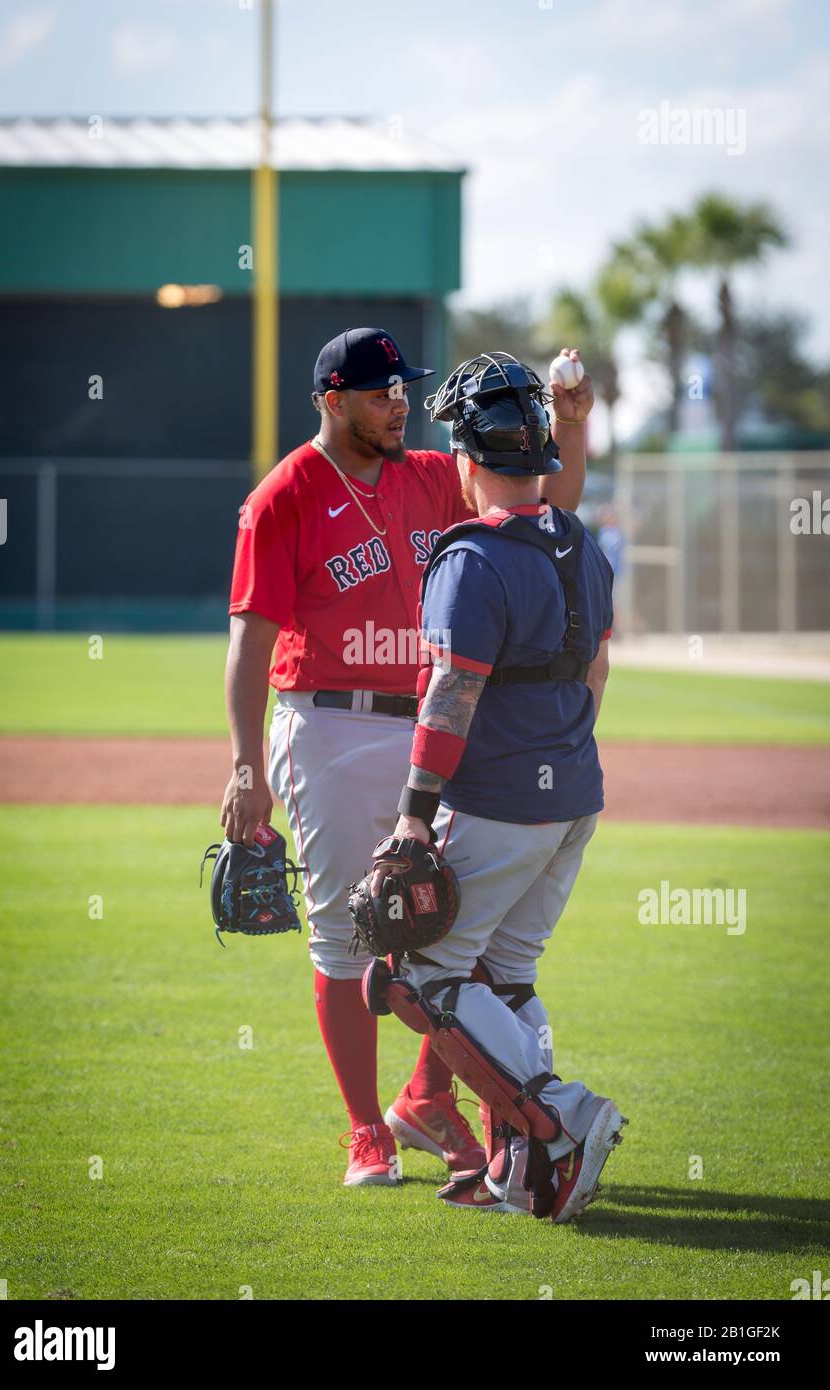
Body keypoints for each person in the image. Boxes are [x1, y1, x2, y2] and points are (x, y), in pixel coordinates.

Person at [221, 327, 592, 1187]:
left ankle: (428, 1102)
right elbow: (250, 640)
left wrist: (568, 427)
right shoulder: (284, 496)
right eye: (382, 391)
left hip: (433, 725)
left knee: (458, 925)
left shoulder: (431, 475)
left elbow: (544, 505)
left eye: (402, 390)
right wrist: (245, 768)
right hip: (330, 725)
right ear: (331, 398)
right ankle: (366, 1132)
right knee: (349, 939)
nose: (399, 404)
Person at [363, 352, 626, 1220]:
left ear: (468, 460)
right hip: (574, 797)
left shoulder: (470, 557)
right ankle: (523, 1159)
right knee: (507, 973)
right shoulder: (579, 542)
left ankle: (557, 1119)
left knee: (425, 980)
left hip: (504, 801)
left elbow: (452, 694)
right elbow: (593, 668)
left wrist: (411, 820)